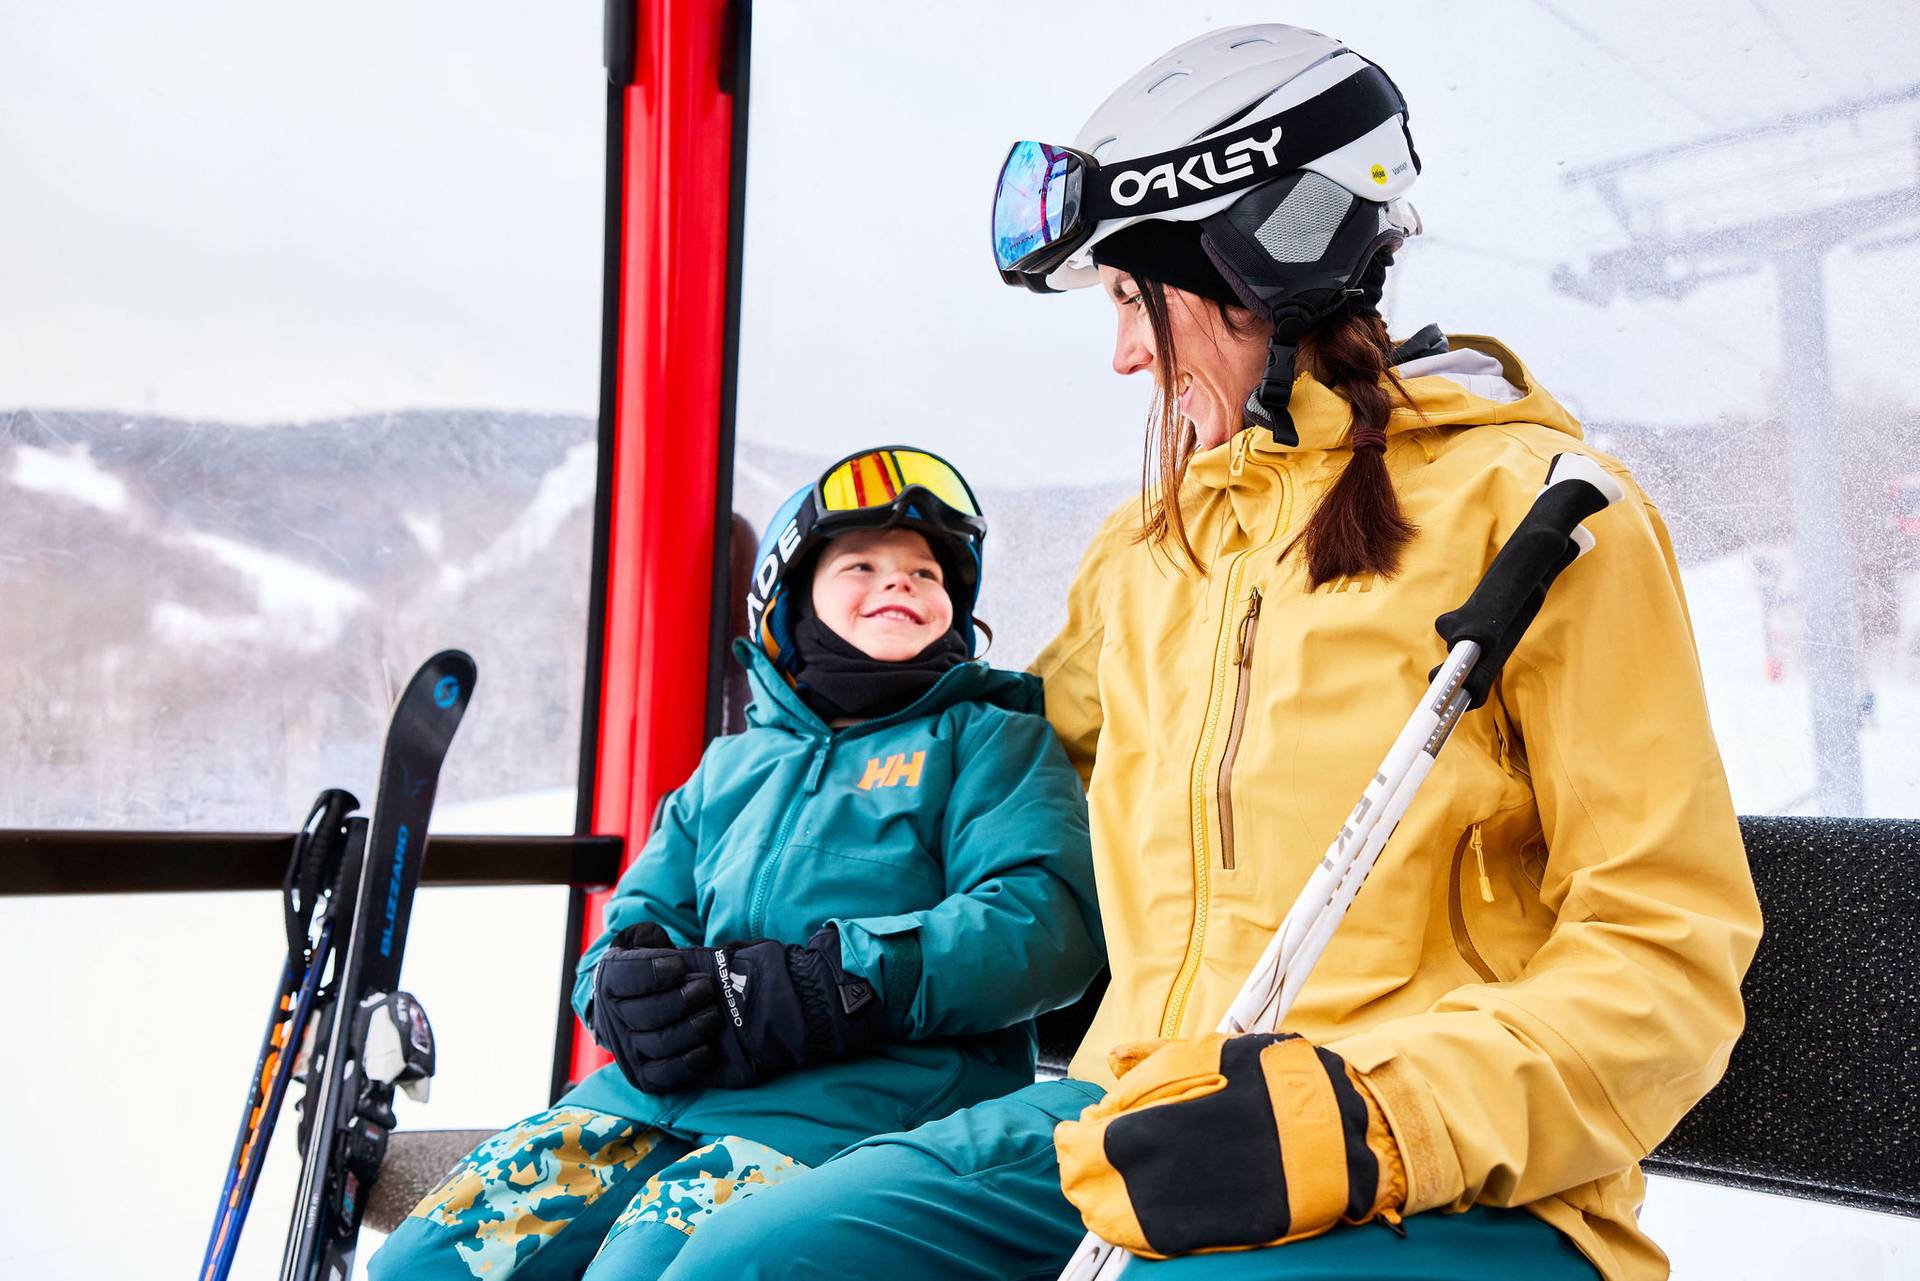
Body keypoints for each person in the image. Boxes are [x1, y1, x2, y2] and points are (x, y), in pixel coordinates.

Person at [650, 24, 1762, 1281]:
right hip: (1138, 1106)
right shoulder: (1151, 552)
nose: (1124, 353)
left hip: (1442, 1172)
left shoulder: (1536, 516)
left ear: (1261, 255)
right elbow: (985, 762)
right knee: (742, 1266)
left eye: (1134, 297)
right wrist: (751, 930)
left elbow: (1666, 951)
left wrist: (1373, 1118)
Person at [369, 445, 1102, 1281]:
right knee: (424, 1263)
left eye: (927, 572)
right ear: (791, 603)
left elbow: (1047, 922)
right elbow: (643, 918)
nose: (900, 582)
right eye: (862, 562)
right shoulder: (732, 766)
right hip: (644, 1105)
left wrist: (837, 982)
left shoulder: (990, 741)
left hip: (856, 1110)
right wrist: (620, 992)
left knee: (646, 1269)